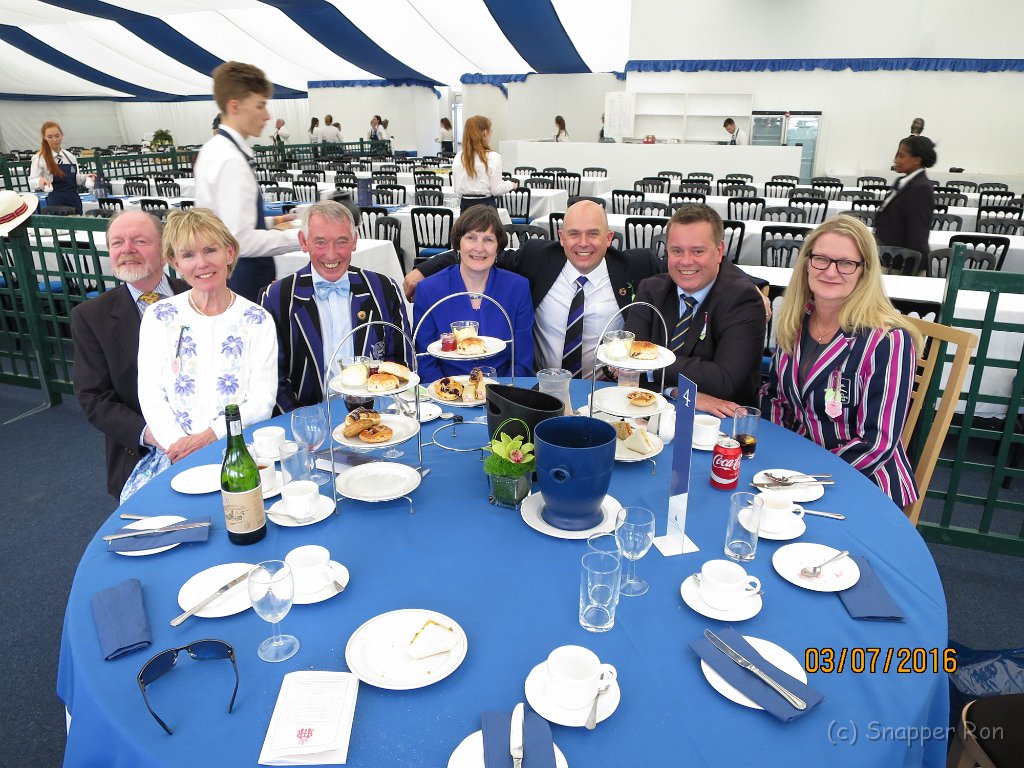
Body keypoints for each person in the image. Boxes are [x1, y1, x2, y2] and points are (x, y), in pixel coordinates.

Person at [760, 216, 922, 506]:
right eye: (821, 259)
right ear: (807, 264)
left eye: (846, 263)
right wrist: (774, 455)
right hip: (795, 466)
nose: (831, 271)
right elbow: (775, 399)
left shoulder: (887, 341)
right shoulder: (795, 321)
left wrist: (804, 478)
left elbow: (876, 443)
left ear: (864, 272)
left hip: (861, 480)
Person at [406, 201, 662, 378]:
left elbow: (679, 270)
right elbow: (478, 255)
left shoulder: (639, 265)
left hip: (605, 386)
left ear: (609, 238)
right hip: (543, 385)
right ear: (561, 237)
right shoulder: (537, 258)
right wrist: (424, 269)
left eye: (593, 234)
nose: (583, 243)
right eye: (574, 234)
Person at [128, 208, 277, 500]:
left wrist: (210, 436)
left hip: (240, 451)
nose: (202, 263)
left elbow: (262, 401)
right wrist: (181, 446)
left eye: (211, 250)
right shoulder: (159, 316)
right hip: (175, 454)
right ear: (175, 263)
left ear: (230, 253)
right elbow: (150, 394)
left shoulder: (257, 319)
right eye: (188, 255)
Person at [72, 210, 189, 499]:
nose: (127, 250)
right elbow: (94, 397)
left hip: (212, 436)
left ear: (164, 251)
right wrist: (156, 435)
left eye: (140, 241)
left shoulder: (198, 294)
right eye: (117, 243)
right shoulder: (91, 317)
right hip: (143, 449)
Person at [259, 201, 410, 413]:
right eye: (320, 242)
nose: (331, 254)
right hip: (308, 418)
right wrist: (305, 422)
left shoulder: (384, 290)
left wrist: (381, 414)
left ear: (354, 241)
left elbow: (400, 363)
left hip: (376, 415)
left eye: (341, 242)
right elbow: (273, 380)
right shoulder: (277, 298)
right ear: (303, 242)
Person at [625, 205, 767, 416]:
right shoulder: (651, 290)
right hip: (649, 409)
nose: (686, 261)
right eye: (677, 251)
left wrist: (649, 363)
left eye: (698, 251)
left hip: (718, 421)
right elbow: (629, 366)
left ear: (719, 251)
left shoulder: (743, 299)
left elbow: (723, 380)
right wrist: (677, 392)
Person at [194, 61, 300, 303]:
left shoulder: (214, 149)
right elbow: (240, 239)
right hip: (242, 281)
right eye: (260, 105)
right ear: (235, 106)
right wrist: (302, 238)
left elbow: (224, 221)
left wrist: (274, 221)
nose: (267, 115)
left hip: (223, 274)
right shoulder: (231, 159)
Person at [413, 205, 534, 382]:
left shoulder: (517, 288)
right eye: (471, 238)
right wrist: (448, 390)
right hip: (445, 389)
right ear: (458, 244)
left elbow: (522, 360)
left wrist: (500, 391)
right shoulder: (428, 290)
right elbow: (424, 360)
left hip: (502, 388)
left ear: (498, 248)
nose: (479, 248)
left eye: (488, 240)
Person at [873, 135, 936, 261]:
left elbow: (917, 234)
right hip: (886, 257)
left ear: (917, 160)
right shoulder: (901, 182)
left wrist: (912, 268)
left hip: (900, 263)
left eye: (901, 156)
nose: (895, 160)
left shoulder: (921, 188)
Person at [452, 115, 516, 213]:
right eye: (491, 131)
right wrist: (511, 185)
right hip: (486, 208)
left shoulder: (458, 157)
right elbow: (496, 190)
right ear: (485, 133)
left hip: (465, 208)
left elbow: (456, 189)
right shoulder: (494, 157)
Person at [29, 121, 95, 214]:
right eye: (50, 137)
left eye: (57, 136)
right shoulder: (39, 158)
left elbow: (76, 180)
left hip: (74, 200)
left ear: (62, 135)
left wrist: (86, 177)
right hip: (56, 204)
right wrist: (40, 181)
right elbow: (32, 181)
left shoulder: (70, 157)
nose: (54, 140)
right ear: (44, 137)